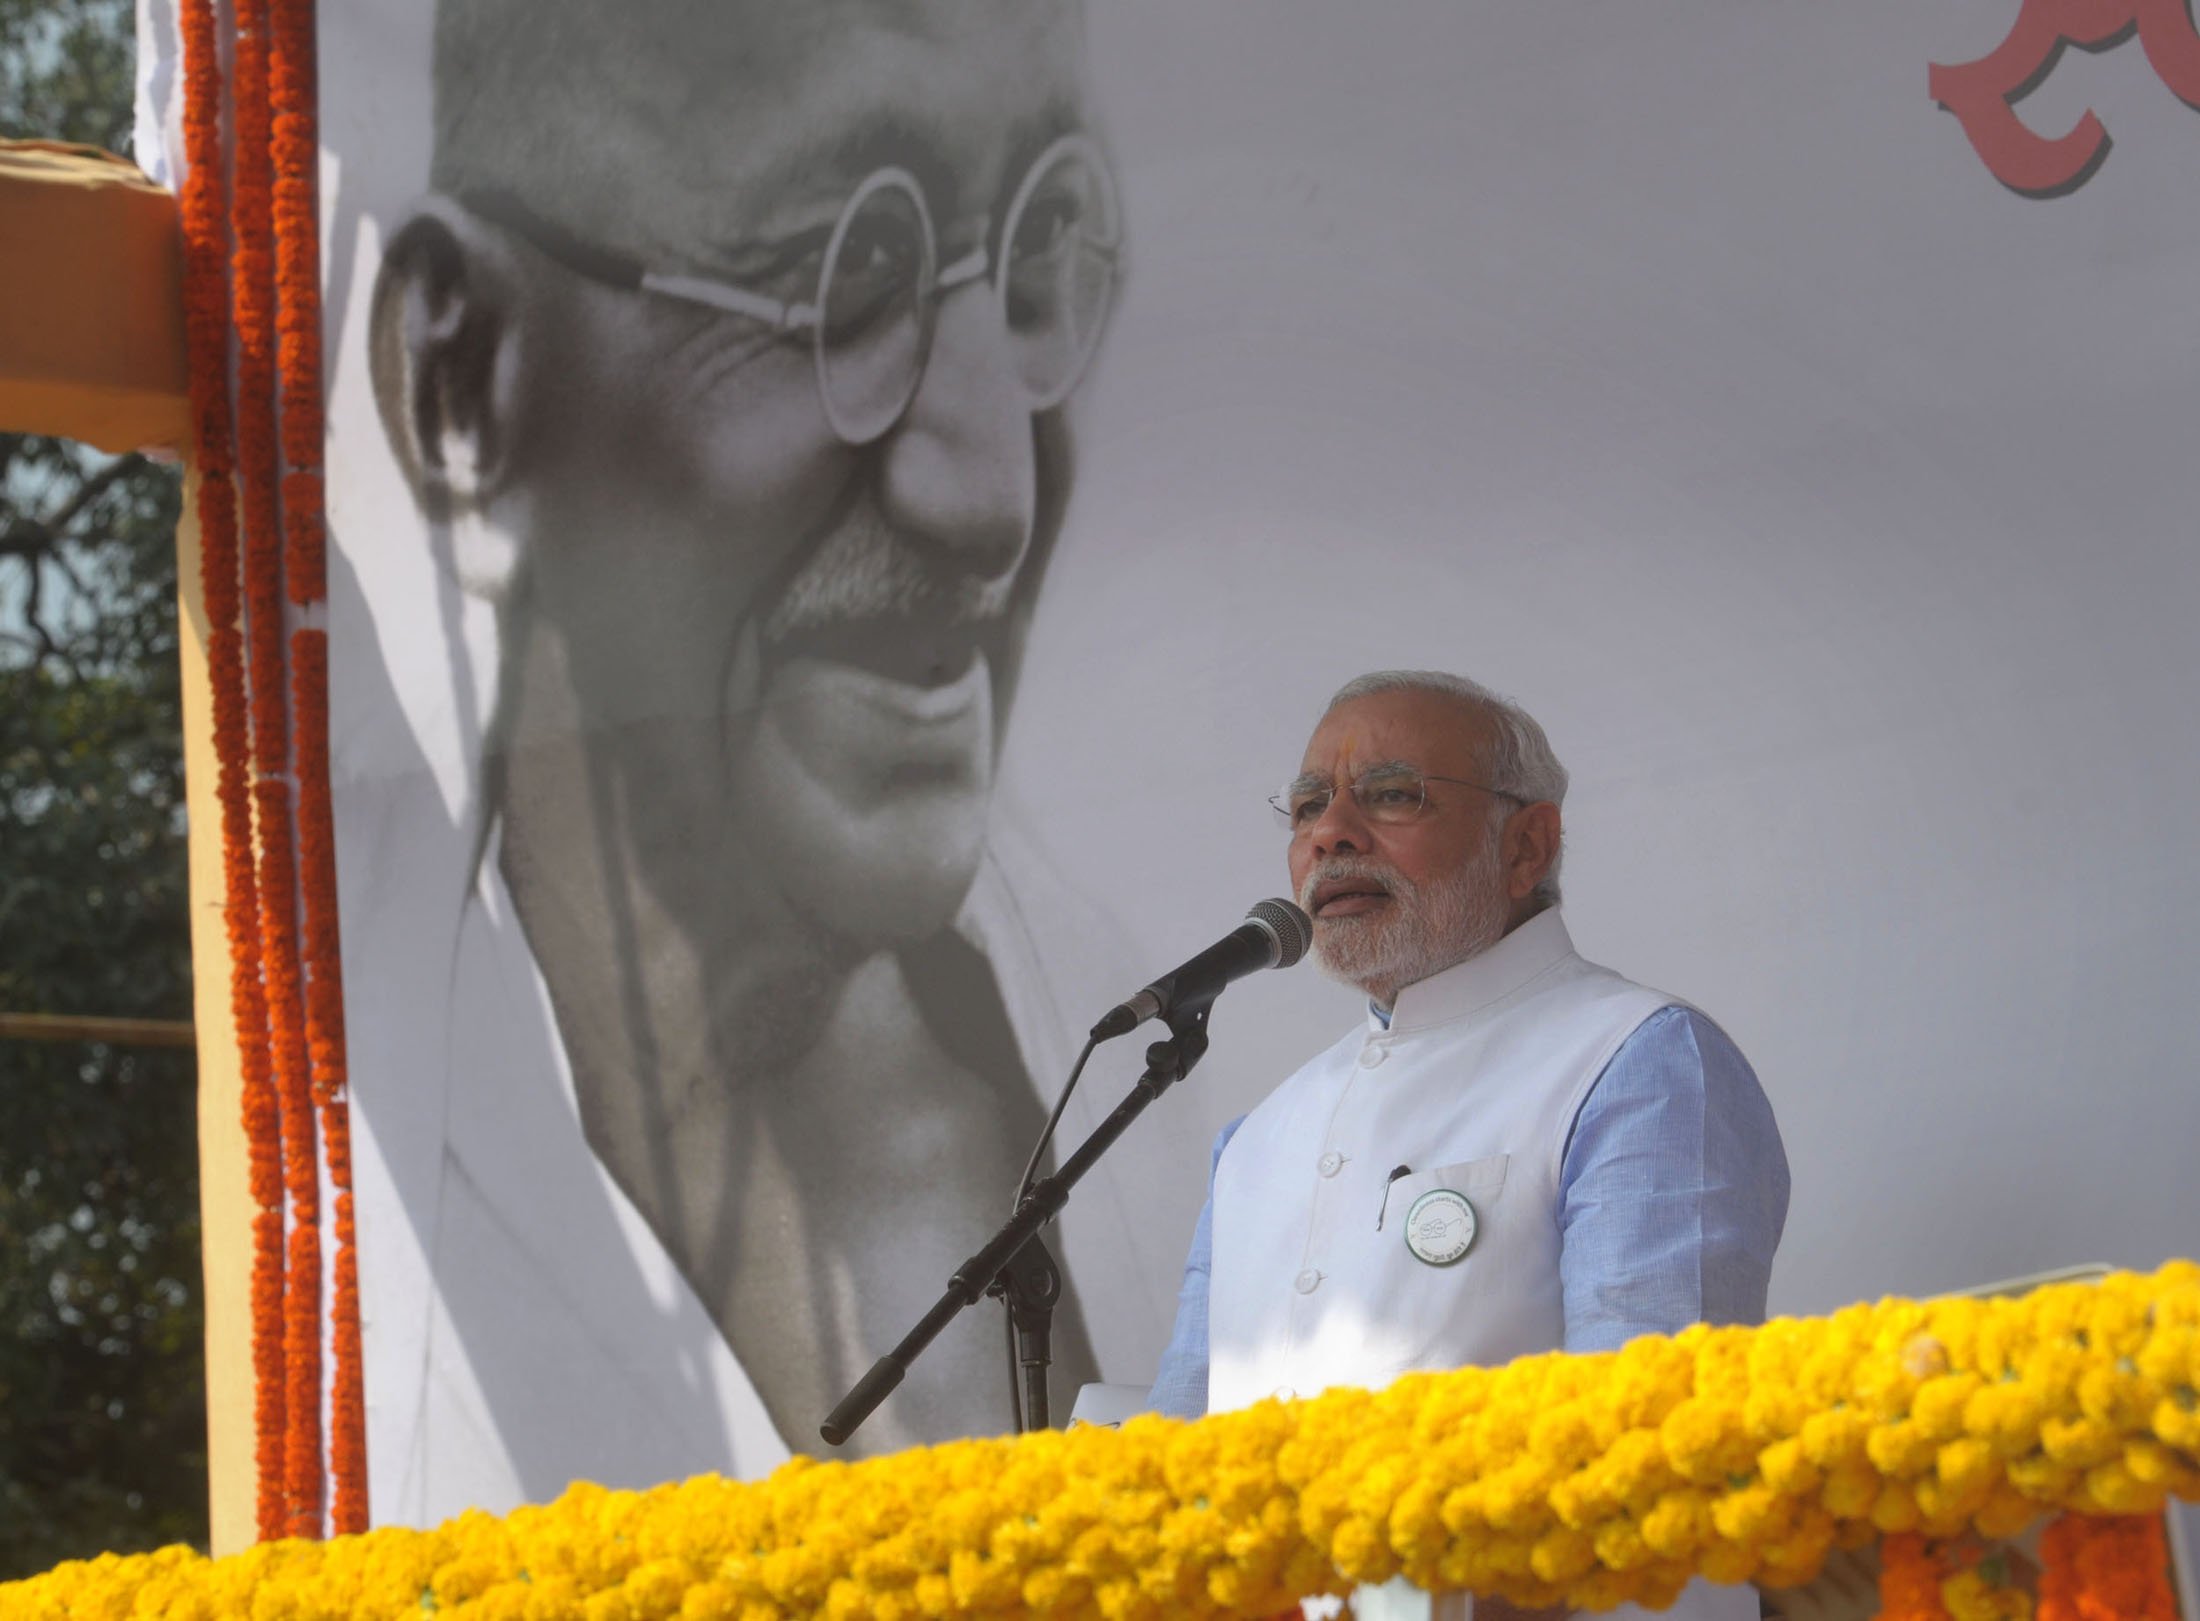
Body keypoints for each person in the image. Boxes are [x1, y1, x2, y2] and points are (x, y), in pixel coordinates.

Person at [366, 0, 1124, 1462]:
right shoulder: (344, 1144)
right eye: (842, 279)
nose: (992, 498)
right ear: (463, 382)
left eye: (1034, 259)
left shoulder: (1198, 1062)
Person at [1151, 670, 1790, 1621]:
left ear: (1526, 844)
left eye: (1392, 794)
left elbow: (1649, 1462)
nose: (1330, 832)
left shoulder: (1636, 1058)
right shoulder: (1259, 1136)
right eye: (1309, 805)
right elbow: (1163, 1462)